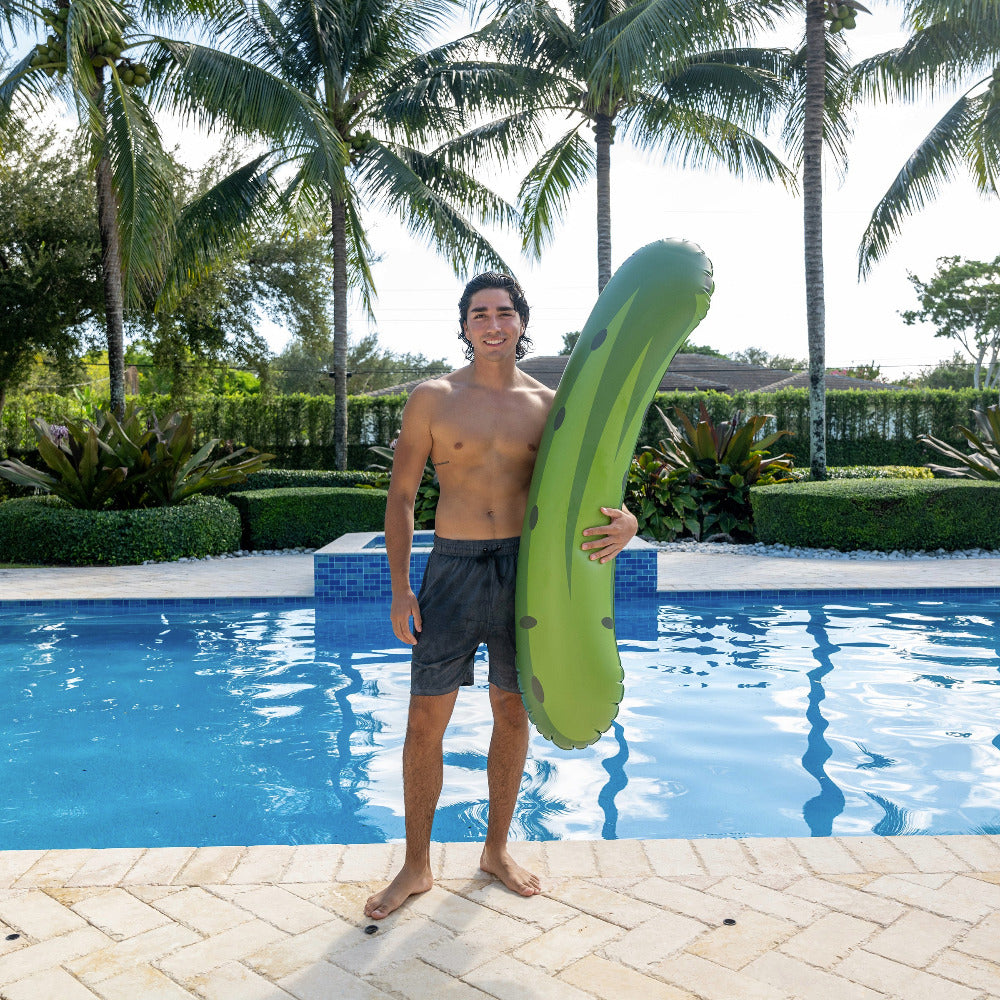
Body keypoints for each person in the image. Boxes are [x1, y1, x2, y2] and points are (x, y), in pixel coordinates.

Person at [364, 272, 637, 920]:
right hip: (451, 570)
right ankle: (416, 864)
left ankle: (495, 851)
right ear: (463, 325)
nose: (493, 323)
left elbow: (588, 487)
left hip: (526, 573)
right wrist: (401, 587)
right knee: (425, 720)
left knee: (514, 713)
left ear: (521, 323)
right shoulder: (432, 398)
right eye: (480, 313)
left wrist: (628, 522)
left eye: (505, 313)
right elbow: (401, 498)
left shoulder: (547, 406)